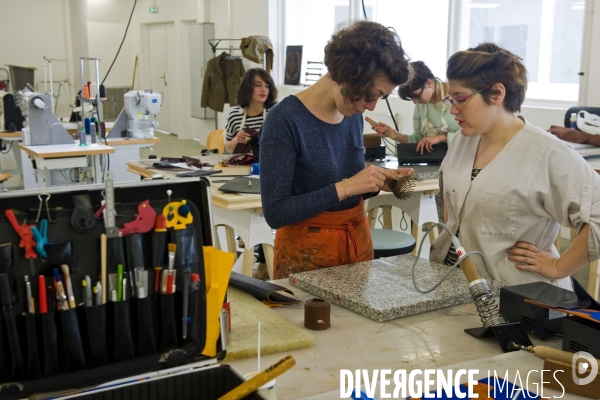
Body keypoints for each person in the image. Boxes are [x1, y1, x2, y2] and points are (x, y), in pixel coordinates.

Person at [429, 42, 600, 289]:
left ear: (497, 94)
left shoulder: (547, 153)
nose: (452, 109)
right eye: (450, 99)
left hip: (520, 295)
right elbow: (452, 209)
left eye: (461, 98)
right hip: (459, 286)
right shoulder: (461, 142)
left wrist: (559, 267)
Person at [260, 21, 414, 280]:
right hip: (306, 258)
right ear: (349, 76)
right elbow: (276, 212)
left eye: (381, 98)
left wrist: (374, 182)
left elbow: (343, 189)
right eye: (371, 95)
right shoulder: (284, 120)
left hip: (356, 248)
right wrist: (349, 186)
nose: (371, 106)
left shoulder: (351, 113)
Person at [372, 61, 460, 154]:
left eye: (417, 97)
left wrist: (443, 138)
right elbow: (418, 138)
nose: (415, 102)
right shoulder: (421, 104)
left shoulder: (455, 97)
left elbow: (472, 137)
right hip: (433, 159)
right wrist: (395, 134)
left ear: (429, 83)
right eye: (412, 98)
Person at [224, 68, 277, 154]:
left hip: (268, 164)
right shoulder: (235, 114)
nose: (264, 89)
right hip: (242, 164)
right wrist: (235, 141)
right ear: (247, 87)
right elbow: (228, 148)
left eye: (267, 86)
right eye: (258, 85)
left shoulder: (275, 113)